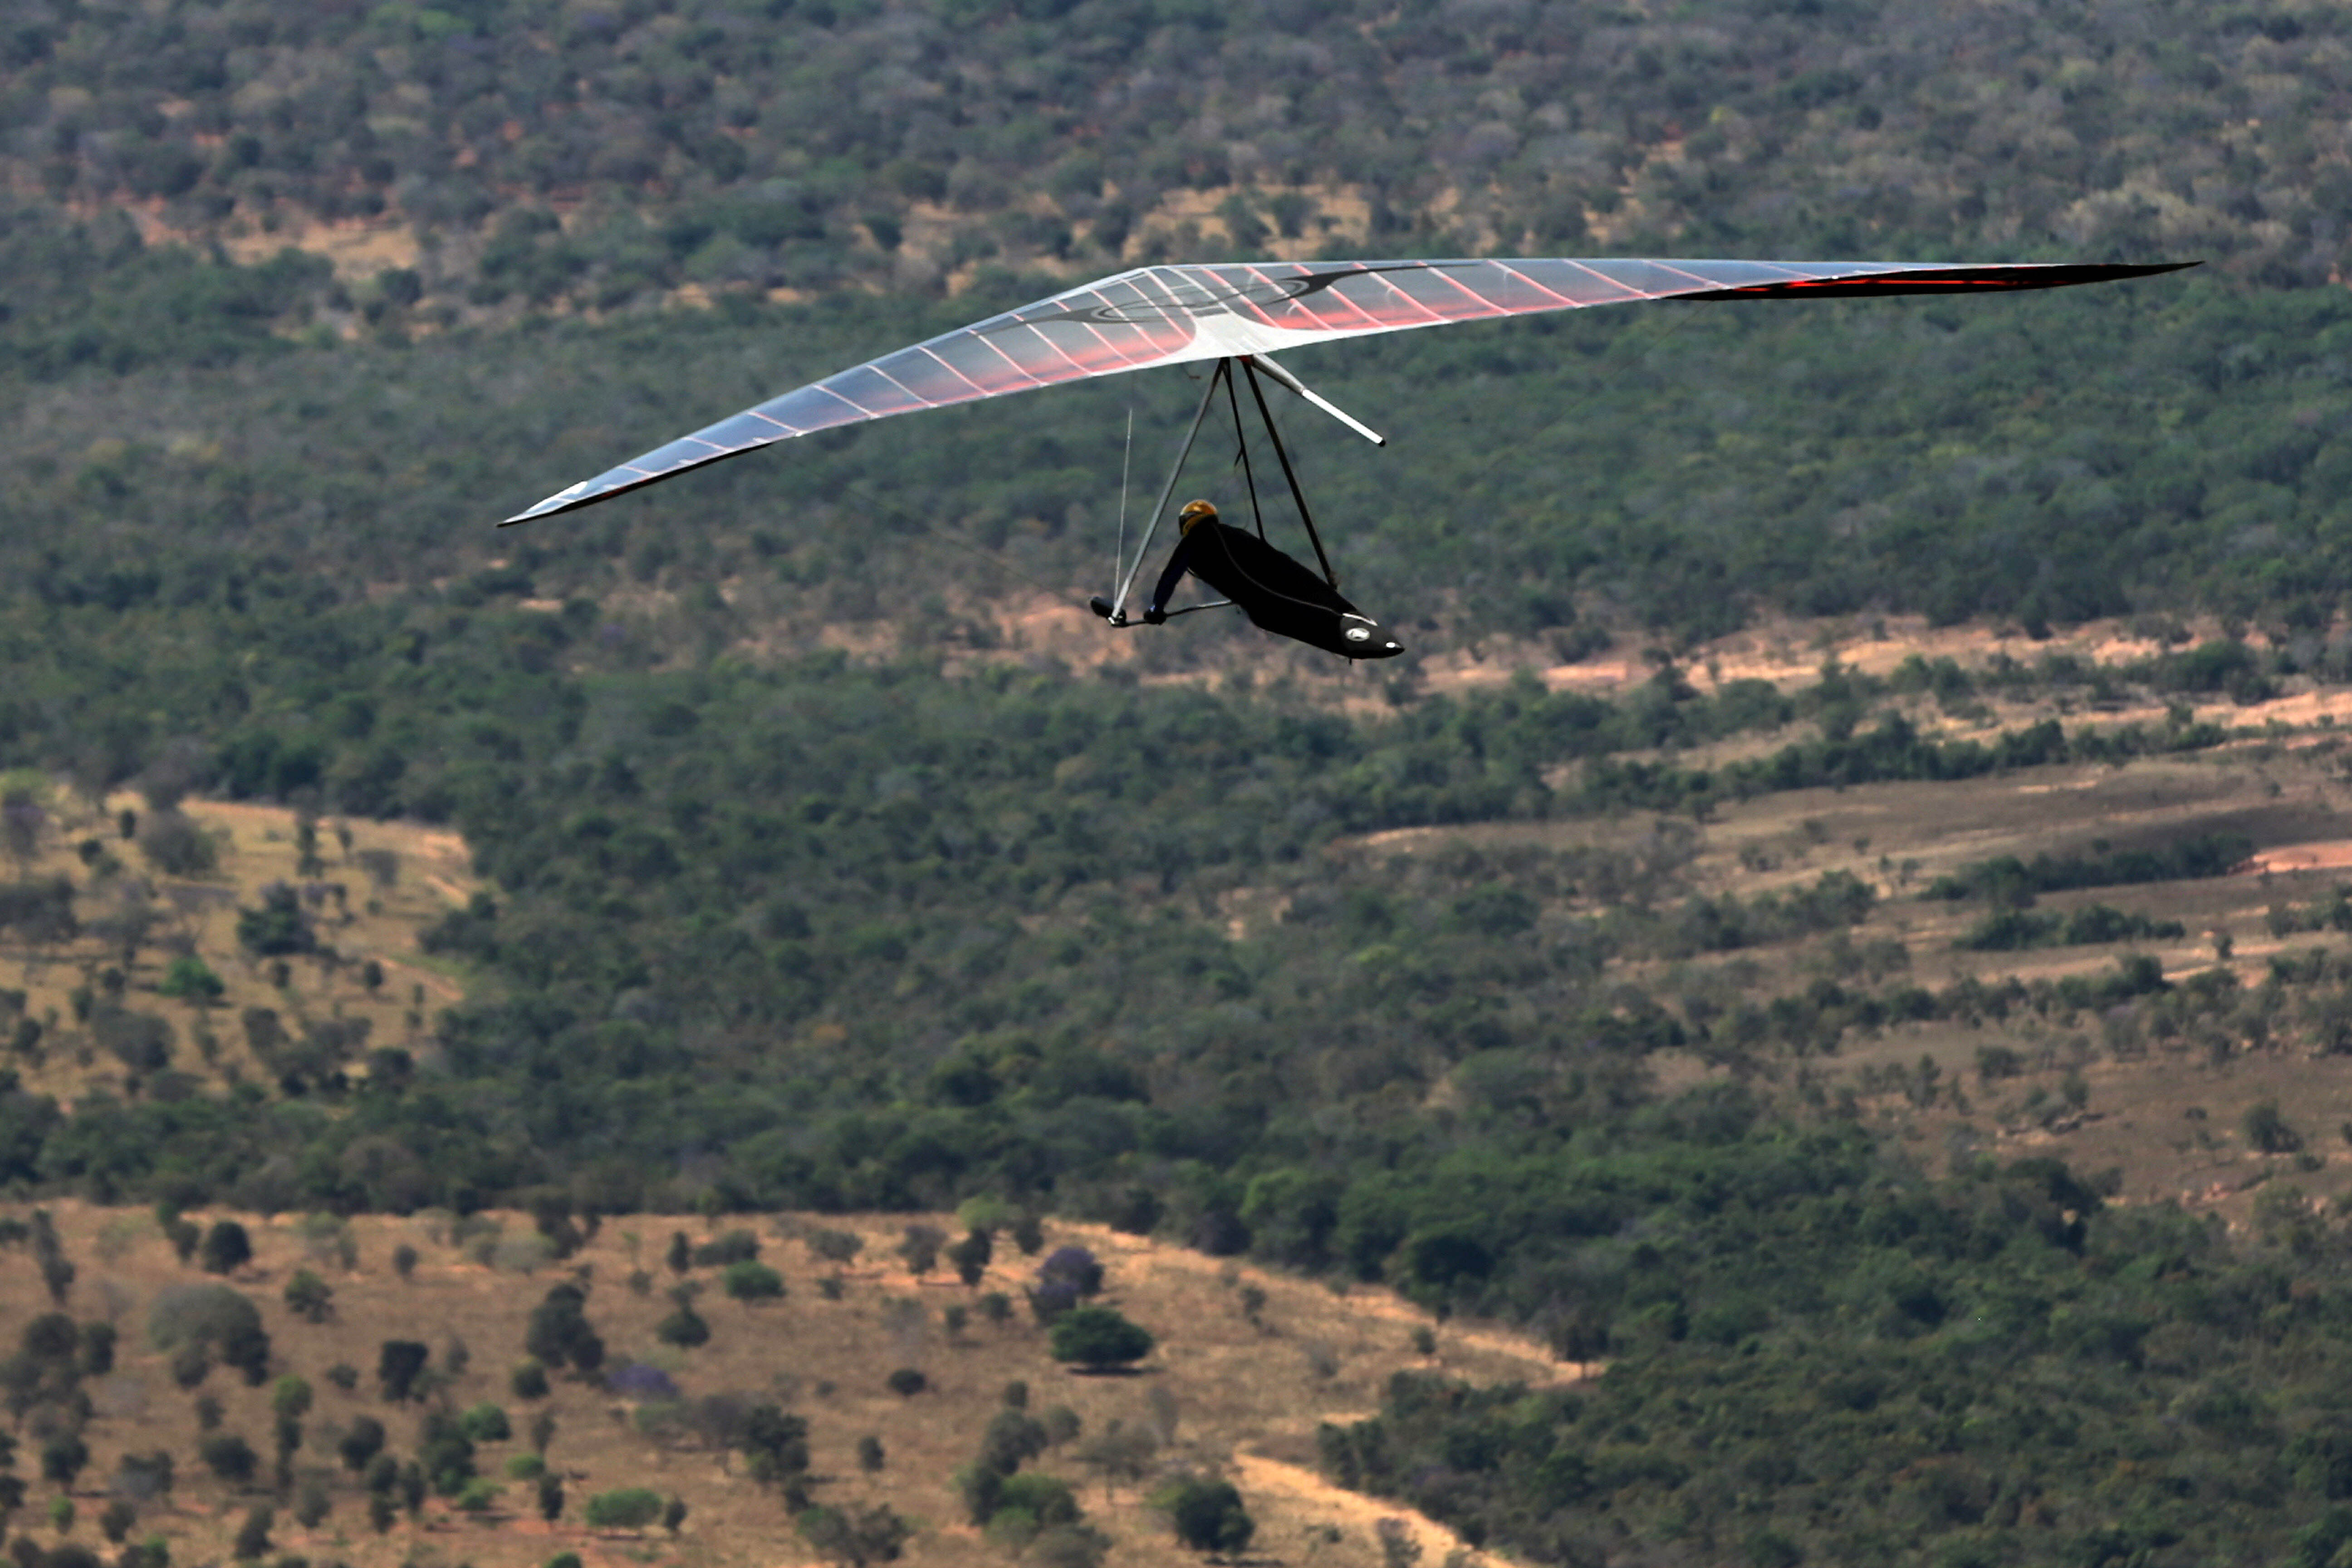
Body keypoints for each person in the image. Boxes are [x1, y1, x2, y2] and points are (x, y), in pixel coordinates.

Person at [1140, 499, 1403, 660]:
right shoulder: (1231, 533)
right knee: (1312, 597)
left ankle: (1348, 629)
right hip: (1280, 581)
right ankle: (1351, 621)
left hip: (1263, 601)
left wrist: (1156, 610)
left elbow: (1169, 579)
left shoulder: (1195, 541)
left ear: (1186, 524)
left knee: (1292, 613)